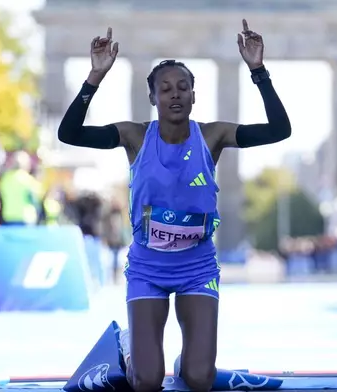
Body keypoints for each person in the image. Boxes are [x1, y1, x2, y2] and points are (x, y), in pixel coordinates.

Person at [58, 20, 291, 392]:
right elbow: (68, 134)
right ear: (153, 98)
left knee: (199, 378)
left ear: (194, 95)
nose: (175, 94)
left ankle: (190, 360)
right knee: (147, 382)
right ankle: (129, 347)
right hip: (148, 267)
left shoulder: (213, 136)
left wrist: (257, 70)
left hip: (197, 267)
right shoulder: (134, 136)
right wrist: (94, 77)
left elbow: (280, 130)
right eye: (165, 89)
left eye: (183, 87)